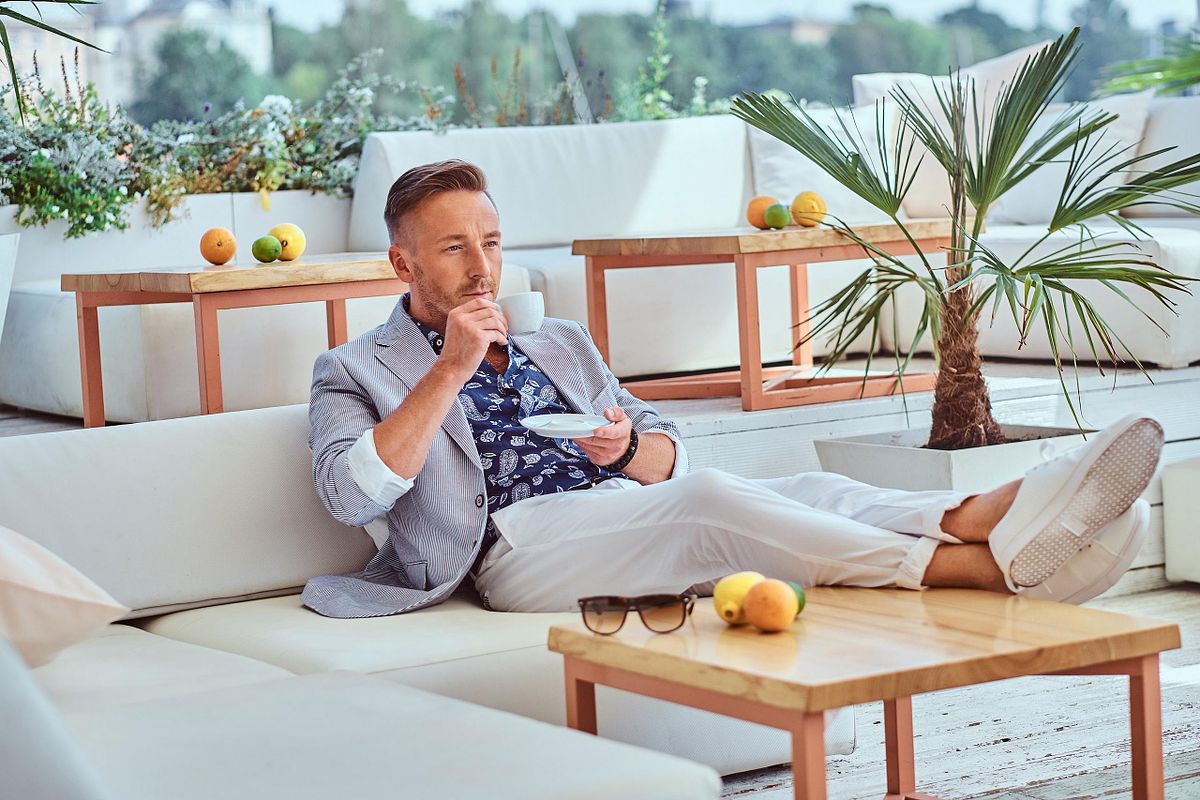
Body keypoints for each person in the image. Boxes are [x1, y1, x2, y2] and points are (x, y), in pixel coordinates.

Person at [302, 159, 1161, 619]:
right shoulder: (355, 370)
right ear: (403, 263)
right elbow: (351, 494)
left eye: (491, 241)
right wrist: (449, 368)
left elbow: (671, 455)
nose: (483, 265)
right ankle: (974, 561)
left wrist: (629, 447)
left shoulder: (555, 340)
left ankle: (988, 517)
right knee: (716, 503)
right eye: (454, 248)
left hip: (615, 513)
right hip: (511, 553)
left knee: (802, 487)